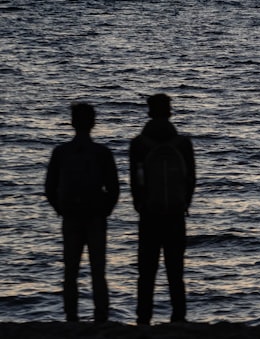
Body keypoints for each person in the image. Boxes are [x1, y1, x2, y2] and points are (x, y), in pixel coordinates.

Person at [44, 102, 120, 323]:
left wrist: (61, 209)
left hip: (72, 217)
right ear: (93, 123)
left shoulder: (61, 152)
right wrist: (104, 211)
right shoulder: (102, 152)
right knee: (98, 270)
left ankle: (71, 316)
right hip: (95, 217)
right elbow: (114, 189)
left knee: (71, 271)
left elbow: (49, 188)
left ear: (72, 123)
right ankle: (101, 315)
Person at [129, 94, 196, 324]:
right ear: (170, 112)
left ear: (149, 113)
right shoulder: (183, 144)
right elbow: (191, 179)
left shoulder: (138, 144)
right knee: (175, 271)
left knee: (146, 271)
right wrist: (184, 202)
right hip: (176, 214)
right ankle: (179, 316)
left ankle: (143, 317)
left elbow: (134, 181)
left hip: (149, 214)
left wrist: (140, 205)